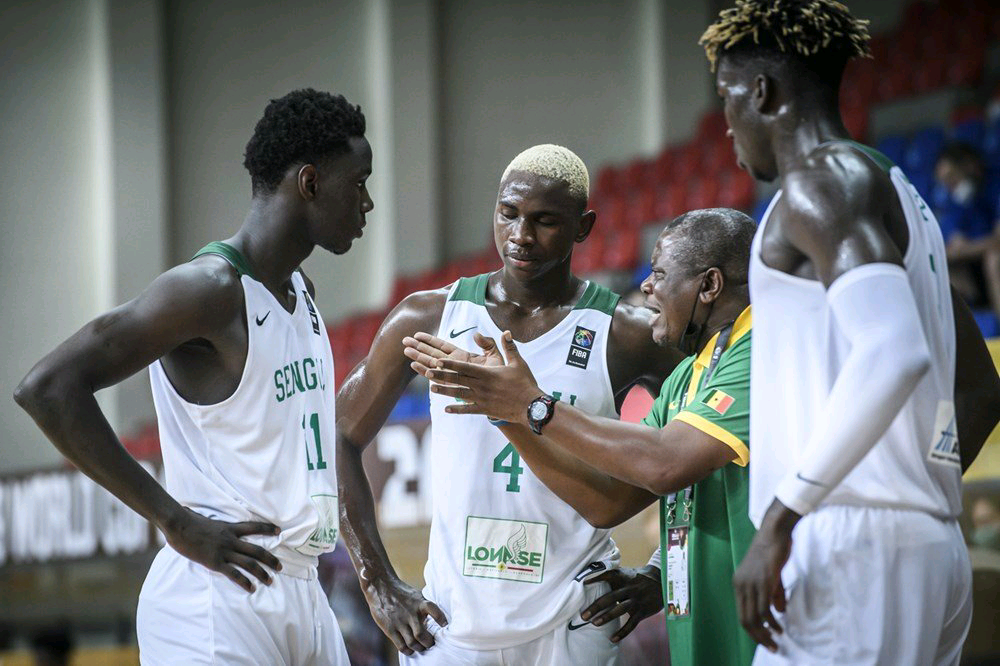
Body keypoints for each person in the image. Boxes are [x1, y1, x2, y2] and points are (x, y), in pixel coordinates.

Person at [14, 88, 372, 664]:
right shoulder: (208, 289)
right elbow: (48, 389)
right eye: (358, 183)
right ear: (309, 183)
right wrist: (172, 519)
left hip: (304, 590)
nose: (368, 203)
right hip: (217, 594)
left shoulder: (302, 292)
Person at [700, 2, 1000, 663]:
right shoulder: (903, 198)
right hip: (915, 543)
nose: (725, 126)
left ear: (762, 92)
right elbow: (982, 386)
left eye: (726, 100)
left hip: (850, 544)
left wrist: (782, 516)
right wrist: (920, 490)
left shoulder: (821, 184)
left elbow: (894, 353)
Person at [336, 144, 679, 664]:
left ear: (583, 228)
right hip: (448, 629)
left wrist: (662, 571)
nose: (520, 235)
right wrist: (378, 581)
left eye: (543, 221)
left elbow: (695, 453)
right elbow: (335, 437)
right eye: (509, 214)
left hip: (574, 622)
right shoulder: (426, 317)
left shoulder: (627, 334)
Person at [405, 208, 759, 666]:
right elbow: (606, 502)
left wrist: (534, 406)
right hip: (710, 625)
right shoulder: (687, 378)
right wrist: (509, 414)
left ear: (709, 286)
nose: (647, 286)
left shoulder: (761, 349)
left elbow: (665, 463)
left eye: (659, 274)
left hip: (766, 622)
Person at [933, 142, 1000, 321]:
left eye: (952, 178)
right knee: (945, 271)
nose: (950, 187)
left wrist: (966, 249)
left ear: (970, 166)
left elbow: (998, 241)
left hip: (992, 264)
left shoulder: (995, 186)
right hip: (975, 273)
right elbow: (949, 246)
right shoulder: (956, 201)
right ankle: (969, 335)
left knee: (994, 259)